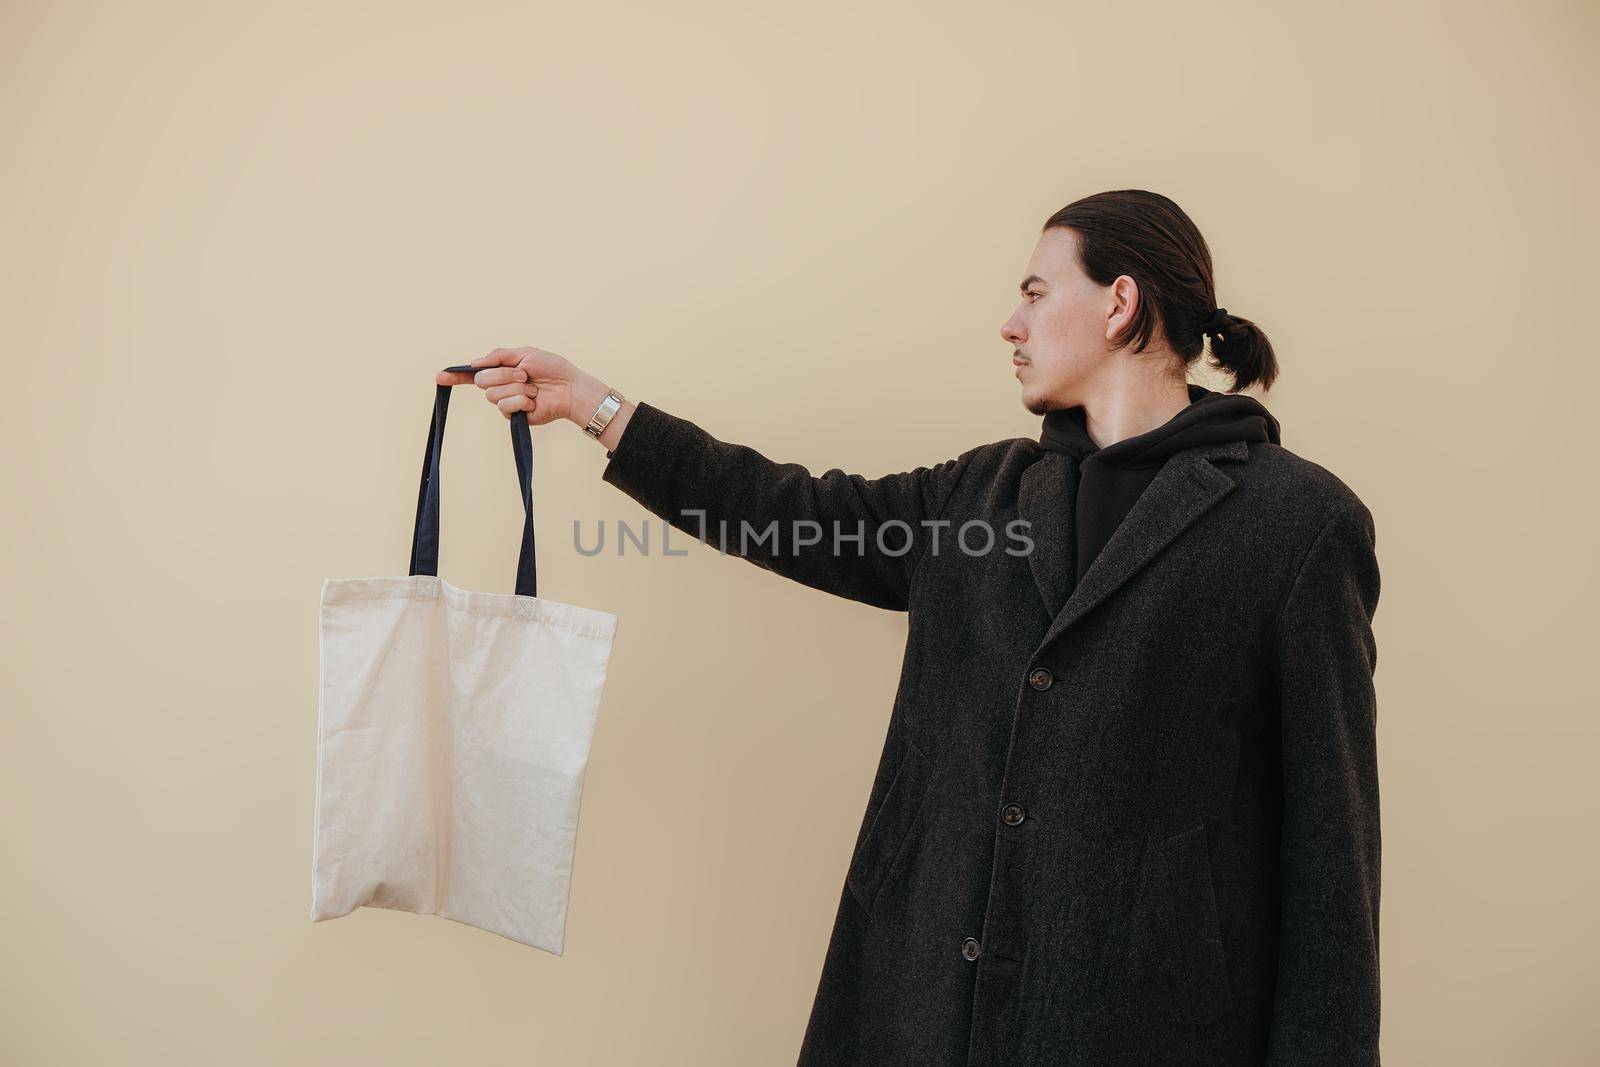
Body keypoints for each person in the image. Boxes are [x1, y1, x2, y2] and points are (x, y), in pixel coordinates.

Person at [437, 189, 1382, 1066]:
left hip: (1142, 1021)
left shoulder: (1295, 526)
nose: (1010, 324)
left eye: (1036, 292)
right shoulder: (982, 495)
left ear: (1120, 304)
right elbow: (787, 511)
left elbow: (1331, 857)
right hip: (924, 1000)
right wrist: (598, 408)